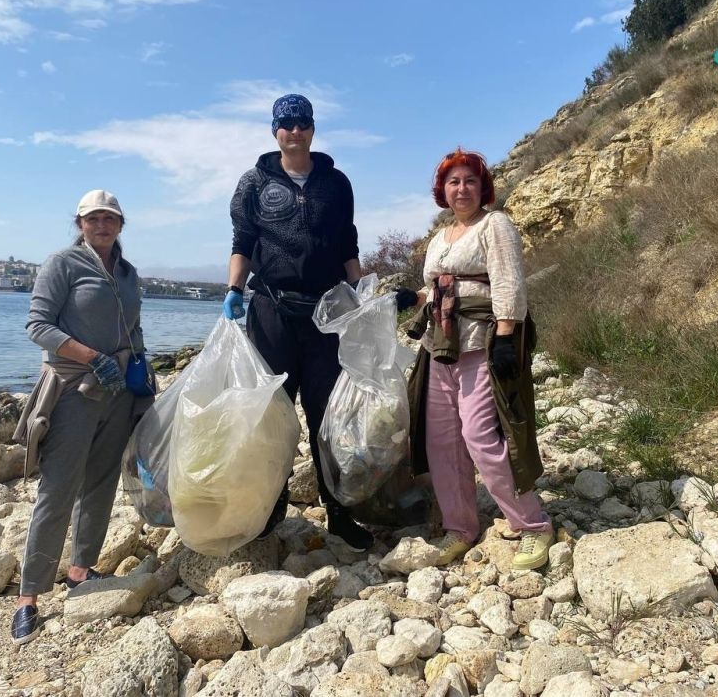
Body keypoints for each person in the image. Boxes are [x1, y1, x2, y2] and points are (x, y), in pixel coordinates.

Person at [223, 93, 374, 552]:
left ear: (312, 129)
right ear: (275, 131)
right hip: (271, 310)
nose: (294, 131)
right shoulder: (252, 182)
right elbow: (243, 239)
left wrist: (359, 291)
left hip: (327, 312)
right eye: (286, 124)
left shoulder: (336, 182)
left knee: (328, 414)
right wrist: (233, 288)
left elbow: (348, 241)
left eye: (302, 122)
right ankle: (270, 508)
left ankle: (338, 512)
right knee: (272, 413)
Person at [397, 149, 553, 570]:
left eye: (469, 181)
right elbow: (439, 290)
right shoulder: (439, 238)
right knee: (441, 439)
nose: (461, 188)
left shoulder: (494, 225)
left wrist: (505, 335)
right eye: (453, 182)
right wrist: (413, 297)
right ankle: (460, 526)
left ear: (482, 187)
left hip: (482, 341)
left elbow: (508, 281)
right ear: (442, 192)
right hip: (440, 344)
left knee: (482, 435)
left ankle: (532, 524)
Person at [11, 189, 153, 644]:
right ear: (80, 223)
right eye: (93, 219)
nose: (102, 225)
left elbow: (134, 327)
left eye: (110, 218)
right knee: (58, 489)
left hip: (117, 392)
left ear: (121, 224)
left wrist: (142, 371)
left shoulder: (127, 273)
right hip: (74, 388)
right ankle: (28, 598)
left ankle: (79, 571)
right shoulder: (63, 265)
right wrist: (91, 356)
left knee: (101, 483)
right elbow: (38, 327)